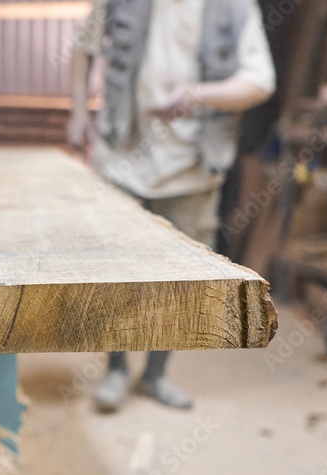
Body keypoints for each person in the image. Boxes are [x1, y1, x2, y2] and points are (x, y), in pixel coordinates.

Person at [67, 0, 276, 412]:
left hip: (192, 168)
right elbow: (81, 47)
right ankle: (116, 370)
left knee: (179, 285)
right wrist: (77, 111)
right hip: (120, 160)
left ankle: (155, 375)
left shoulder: (233, 7)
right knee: (114, 276)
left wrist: (197, 94)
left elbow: (260, 81)